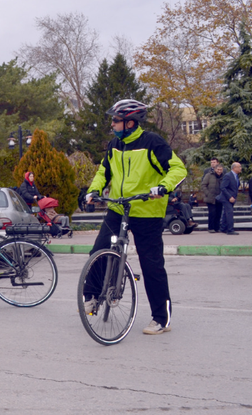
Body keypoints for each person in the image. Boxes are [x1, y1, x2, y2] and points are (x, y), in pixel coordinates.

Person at [85, 99, 187, 336]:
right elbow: (104, 172)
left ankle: (161, 318)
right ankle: (91, 296)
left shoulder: (152, 142)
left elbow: (178, 169)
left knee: (151, 264)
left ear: (129, 122)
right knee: (97, 253)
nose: (112, 124)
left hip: (146, 210)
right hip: (119, 207)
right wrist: (94, 190)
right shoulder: (114, 144)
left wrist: (163, 187)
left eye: (116, 120)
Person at [218, 162, 242, 235]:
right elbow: (222, 187)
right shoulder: (228, 176)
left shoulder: (236, 176)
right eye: (239, 167)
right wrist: (229, 197)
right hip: (227, 198)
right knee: (229, 213)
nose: (241, 168)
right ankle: (230, 230)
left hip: (232, 198)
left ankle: (223, 228)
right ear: (234, 168)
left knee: (226, 213)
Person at [201, 164, 224, 233]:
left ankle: (217, 228)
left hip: (220, 198)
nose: (219, 171)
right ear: (215, 169)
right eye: (218, 169)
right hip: (211, 198)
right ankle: (211, 228)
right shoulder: (209, 175)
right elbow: (203, 185)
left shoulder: (224, 176)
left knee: (219, 213)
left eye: (221, 170)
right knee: (212, 213)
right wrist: (208, 194)